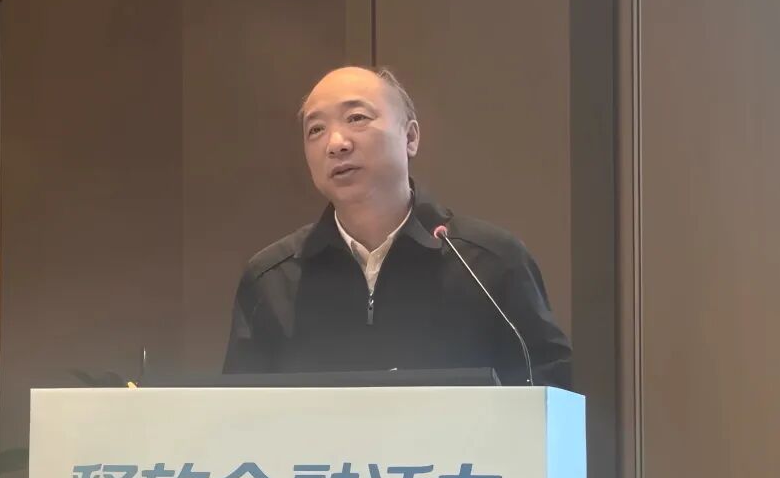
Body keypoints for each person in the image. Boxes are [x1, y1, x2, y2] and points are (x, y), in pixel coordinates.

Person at [223, 66, 571, 386]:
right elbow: (239, 417)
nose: (336, 144)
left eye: (357, 118)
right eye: (316, 130)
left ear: (410, 137)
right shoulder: (272, 279)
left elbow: (550, 402)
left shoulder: (490, 263)